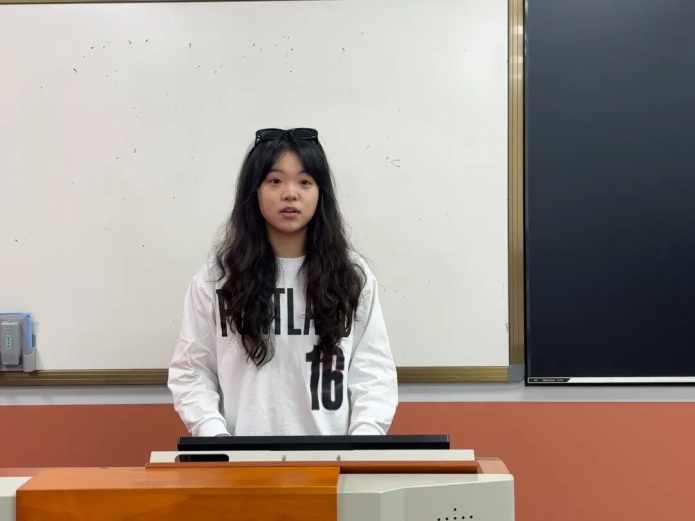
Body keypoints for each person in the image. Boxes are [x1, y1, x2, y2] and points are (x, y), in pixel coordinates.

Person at [168, 128, 398, 437]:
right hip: (241, 459)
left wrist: (362, 443)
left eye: (304, 182)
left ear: (320, 192)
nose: (290, 193)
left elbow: (373, 373)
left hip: (334, 458)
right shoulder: (217, 279)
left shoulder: (352, 277)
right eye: (275, 181)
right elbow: (192, 370)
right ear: (254, 191)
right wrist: (215, 438)